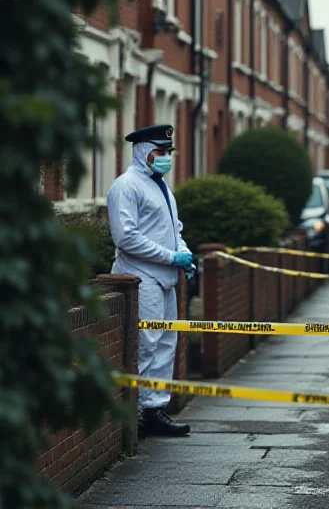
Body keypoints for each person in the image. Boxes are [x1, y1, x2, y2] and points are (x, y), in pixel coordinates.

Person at [107, 124, 194, 437]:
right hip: (142, 277)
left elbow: (175, 229)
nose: (166, 157)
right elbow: (126, 237)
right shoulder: (126, 186)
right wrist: (171, 258)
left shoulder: (162, 187)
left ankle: (155, 409)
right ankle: (138, 413)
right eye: (161, 152)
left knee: (165, 345)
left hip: (165, 279)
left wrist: (183, 254)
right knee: (146, 346)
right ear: (144, 152)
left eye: (169, 152)